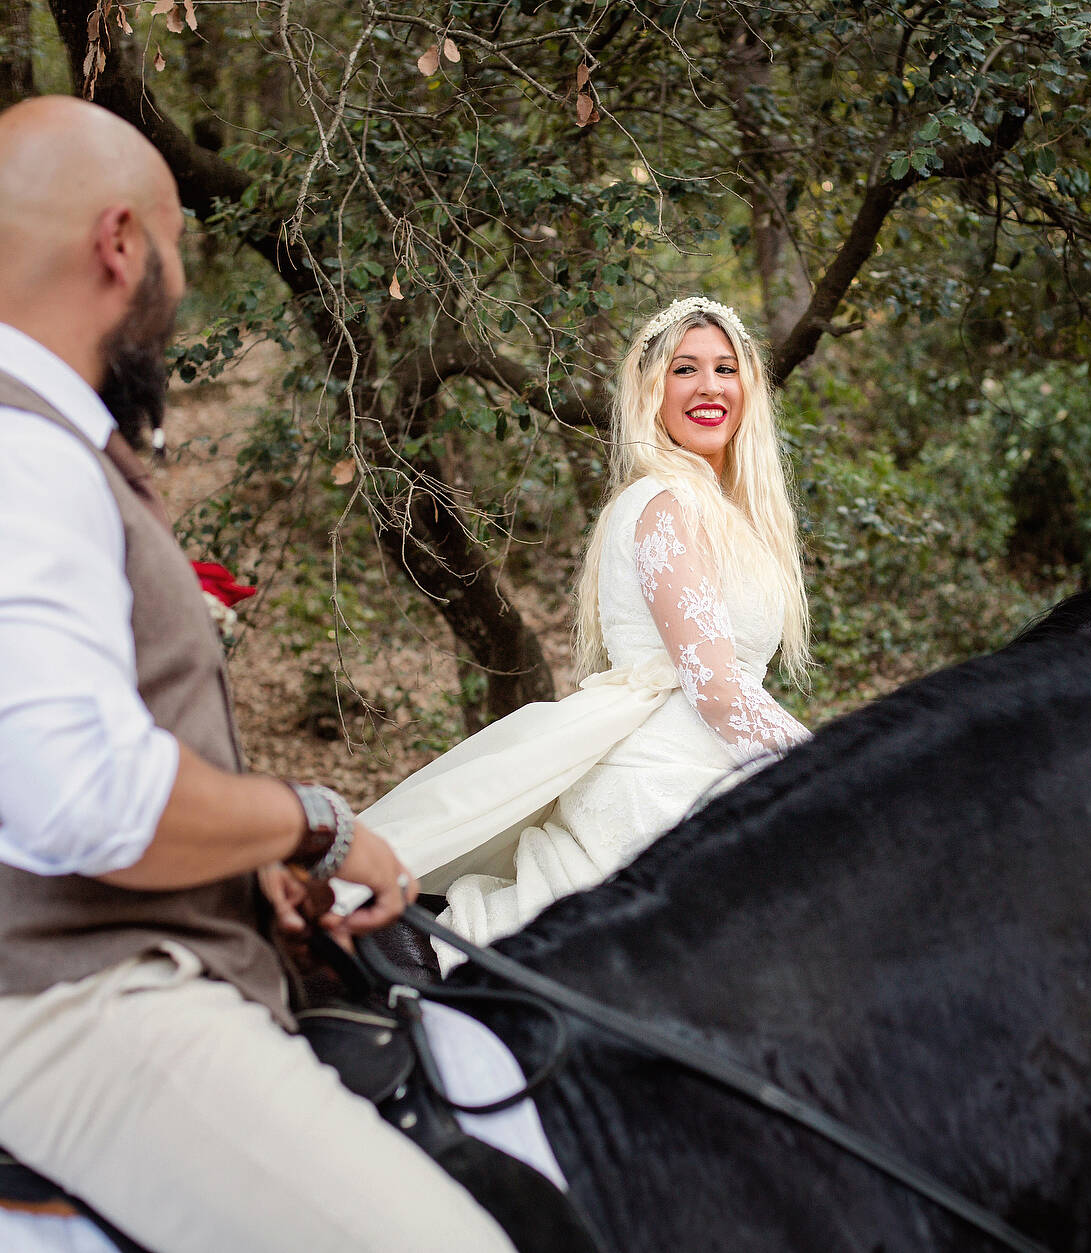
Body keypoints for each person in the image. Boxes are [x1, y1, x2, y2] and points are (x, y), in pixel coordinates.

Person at [0, 96, 517, 1253]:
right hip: (52, 994)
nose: (181, 284)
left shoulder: (18, 435)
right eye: (177, 248)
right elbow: (89, 801)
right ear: (120, 244)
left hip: (86, 951)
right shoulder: (0, 449)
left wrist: (243, 864)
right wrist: (314, 824)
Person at [346, 296, 811, 964]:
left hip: (712, 757)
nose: (709, 386)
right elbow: (714, 687)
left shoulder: (730, 513)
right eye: (684, 369)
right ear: (651, 391)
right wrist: (828, 762)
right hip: (665, 774)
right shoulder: (665, 503)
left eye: (725, 368)